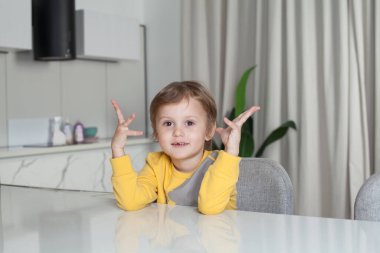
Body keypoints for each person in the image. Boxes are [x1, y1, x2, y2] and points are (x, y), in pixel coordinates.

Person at [110, 81, 260, 215]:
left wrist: (231, 151)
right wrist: (118, 150)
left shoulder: (221, 164)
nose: (177, 132)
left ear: (208, 131)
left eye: (189, 123)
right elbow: (130, 201)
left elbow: (210, 207)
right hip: (168, 245)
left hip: (212, 242)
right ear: (156, 132)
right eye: (168, 123)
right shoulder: (155, 164)